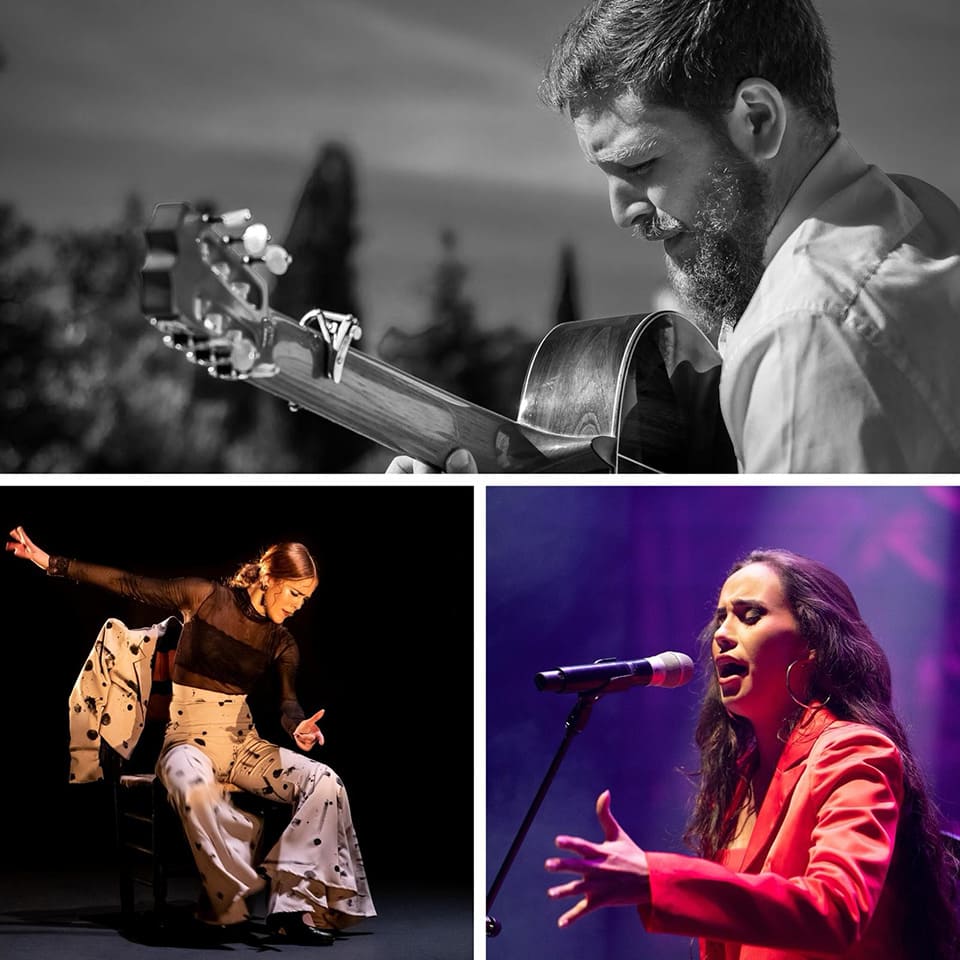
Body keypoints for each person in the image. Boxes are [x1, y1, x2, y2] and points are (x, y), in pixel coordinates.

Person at [387, 0, 960, 474]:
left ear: (757, 119)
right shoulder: (920, 218)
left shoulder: (806, 337)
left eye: (641, 166)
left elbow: (793, 590)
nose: (622, 213)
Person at [543, 548, 959, 958]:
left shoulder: (852, 751)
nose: (722, 633)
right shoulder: (736, 782)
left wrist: (657, 878)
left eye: (750, 616)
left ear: (811, 644)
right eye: (721, 616)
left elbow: (836, 909)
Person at [6, 525, 375, 946]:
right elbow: (129, 584)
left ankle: (293, 907)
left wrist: (298, 726)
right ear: (269, 579)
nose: (298, 607)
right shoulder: (204, 597)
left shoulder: (282, 641)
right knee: (188, 782)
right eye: (295, 594)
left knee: (326, 781)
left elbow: (288, 702)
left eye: (305, 600)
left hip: (243, 743)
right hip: (188, 741)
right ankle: (232, 874)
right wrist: (50, 562)